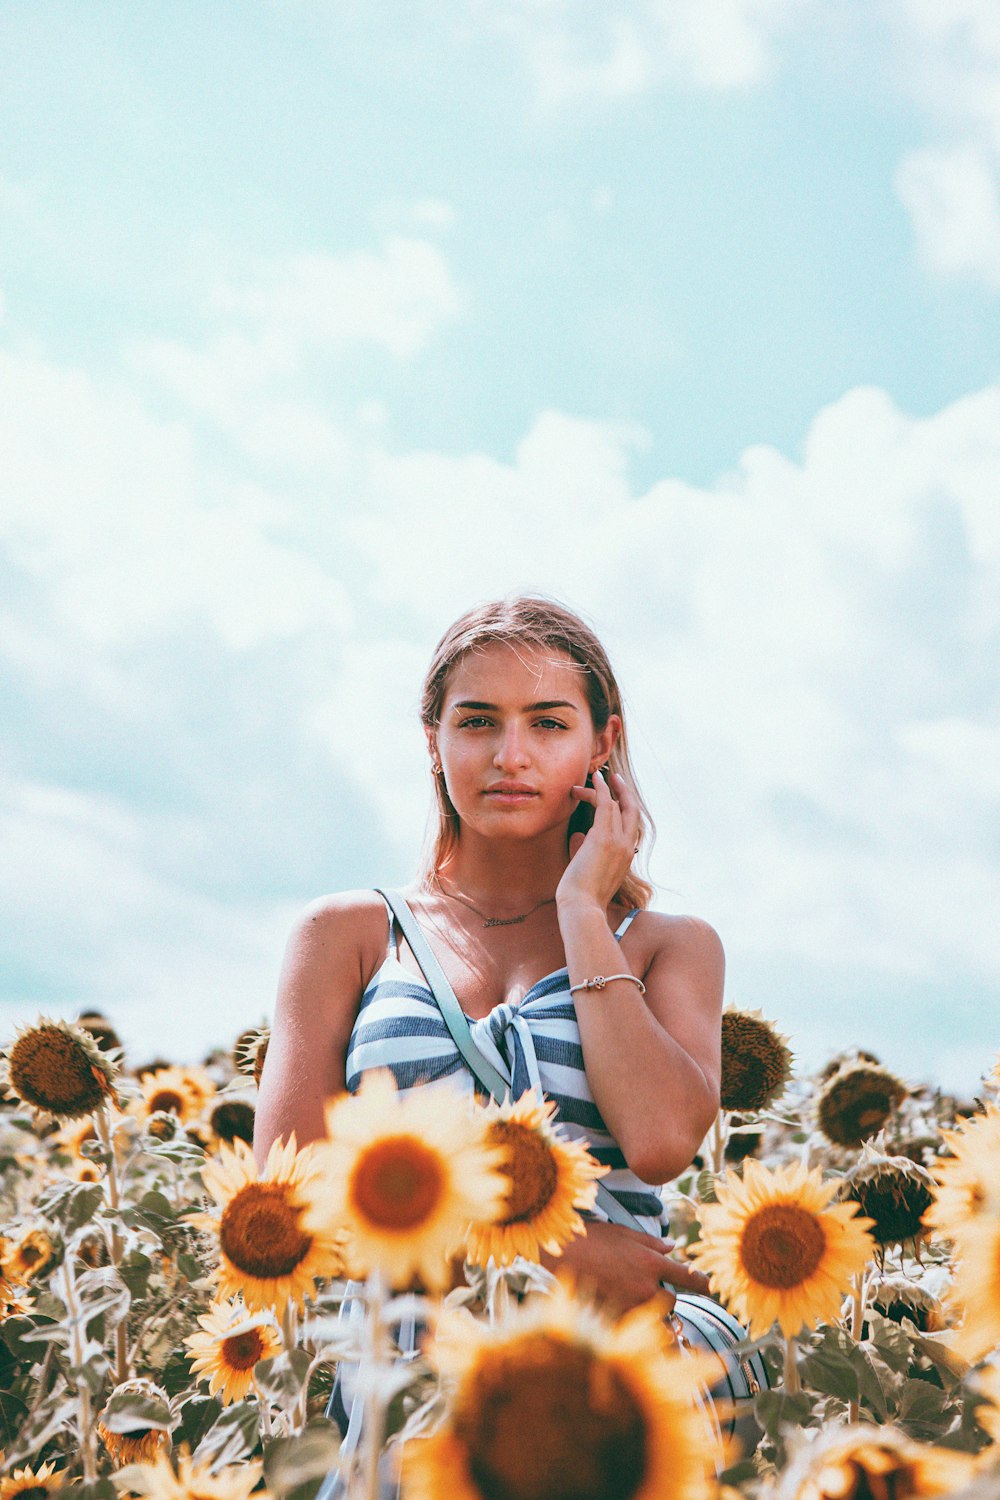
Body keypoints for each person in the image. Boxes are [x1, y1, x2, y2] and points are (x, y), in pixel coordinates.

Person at [254, 595, 760, 1490]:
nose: (509, 755)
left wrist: (582, 912)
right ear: (433, 739)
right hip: (407, 1394)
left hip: (609, 1393)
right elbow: (286, 1193)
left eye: (548, 723)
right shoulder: (347, 935)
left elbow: (660, 1140)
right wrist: (550, 1249)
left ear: (602, 744)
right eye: (477, 722)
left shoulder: (666, 945)